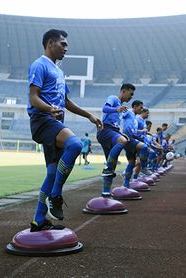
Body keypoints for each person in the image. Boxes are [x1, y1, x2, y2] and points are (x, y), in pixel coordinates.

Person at [28, 29, 102, 231]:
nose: (66, 48)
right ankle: (55, 195)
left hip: (54, 122)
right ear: (50, 43)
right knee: (75, 144)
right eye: (63, 44)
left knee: (52, 173)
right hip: (43, 120)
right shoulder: (39, 65)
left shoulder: (59, 72)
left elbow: (66, 102)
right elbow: (33, 96)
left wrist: (89, 115)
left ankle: (39, 220)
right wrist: (49, 108)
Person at [97, 83, 135, 197]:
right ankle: (108, 168)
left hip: (112, 131)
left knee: (112, 164)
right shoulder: (113, 98)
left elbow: (115, 124)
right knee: (122, 141)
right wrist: (116, 109)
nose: (131, 97)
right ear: (123, 91)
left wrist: (120, 132)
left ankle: (106, 193)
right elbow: (104, 108)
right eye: (130, 93)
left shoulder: (121, 107)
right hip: (105, 131)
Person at [122, 100, 149, 187]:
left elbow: (135, 130)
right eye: (140, 107)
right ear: (135, 106)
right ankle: (144, 168)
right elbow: (121, 114)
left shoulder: (135, 117)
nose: (141, 109)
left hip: (132, 138)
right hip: (129, 138)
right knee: (145, 148)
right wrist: (121, 109)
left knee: (132, 163)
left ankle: (126, 184)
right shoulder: (129, 112)